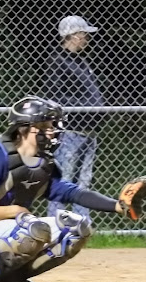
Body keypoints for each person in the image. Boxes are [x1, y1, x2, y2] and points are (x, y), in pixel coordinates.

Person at [0, 95, 146, 282]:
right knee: (34, 229)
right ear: (25, 128)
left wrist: (117, 205)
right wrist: (15, 212)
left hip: (4, 233)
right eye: (46, 127)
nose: (52, 133)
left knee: (78, 228)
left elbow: (74, 193)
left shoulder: (41, 165)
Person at [43, 15, 104, 221]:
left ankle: (81, 224)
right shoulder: (57, 60)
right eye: (83, 34)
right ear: (72, 35)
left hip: (89, 129)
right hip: (71, 129)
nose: (86, 38)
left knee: (83, 182)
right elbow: (54, 95)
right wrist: (85, 106)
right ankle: (54, 223)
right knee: (64, 179)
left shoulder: (80, 60)